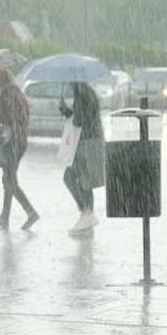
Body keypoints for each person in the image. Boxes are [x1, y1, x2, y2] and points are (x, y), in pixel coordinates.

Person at [0, 69, 39, 230]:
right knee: (8, 178)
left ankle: (30, 212)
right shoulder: (18, 94)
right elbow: (20, 116)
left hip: (11, 141)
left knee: (10, 180)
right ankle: (5, 216)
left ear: (0, 82)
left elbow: (5, 117)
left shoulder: (6, 95)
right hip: (20, 140)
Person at [59, 81, 105, 236]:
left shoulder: (83, 95)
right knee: (86, 182)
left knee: (69, 177)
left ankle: (86, 213)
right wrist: (66, 111)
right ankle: (87, 221)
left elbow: (79, 120)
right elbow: (81, 117)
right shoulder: (86, 93)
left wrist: (68, 111)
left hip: (87, 142)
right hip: (91, 141)